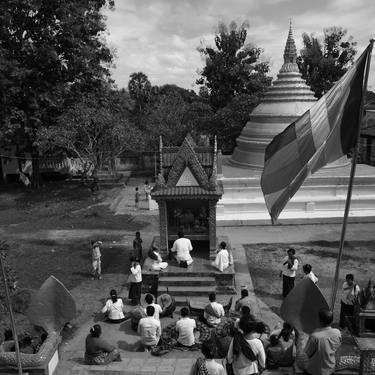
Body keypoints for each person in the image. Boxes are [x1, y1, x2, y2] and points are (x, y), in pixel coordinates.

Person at [304, 309, 342, 375]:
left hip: (316, 370)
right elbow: (337, 347)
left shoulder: (315, 336)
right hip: (330, 369)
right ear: (332, 321)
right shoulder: (337, 332)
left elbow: (308, 353)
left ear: (320, 321)